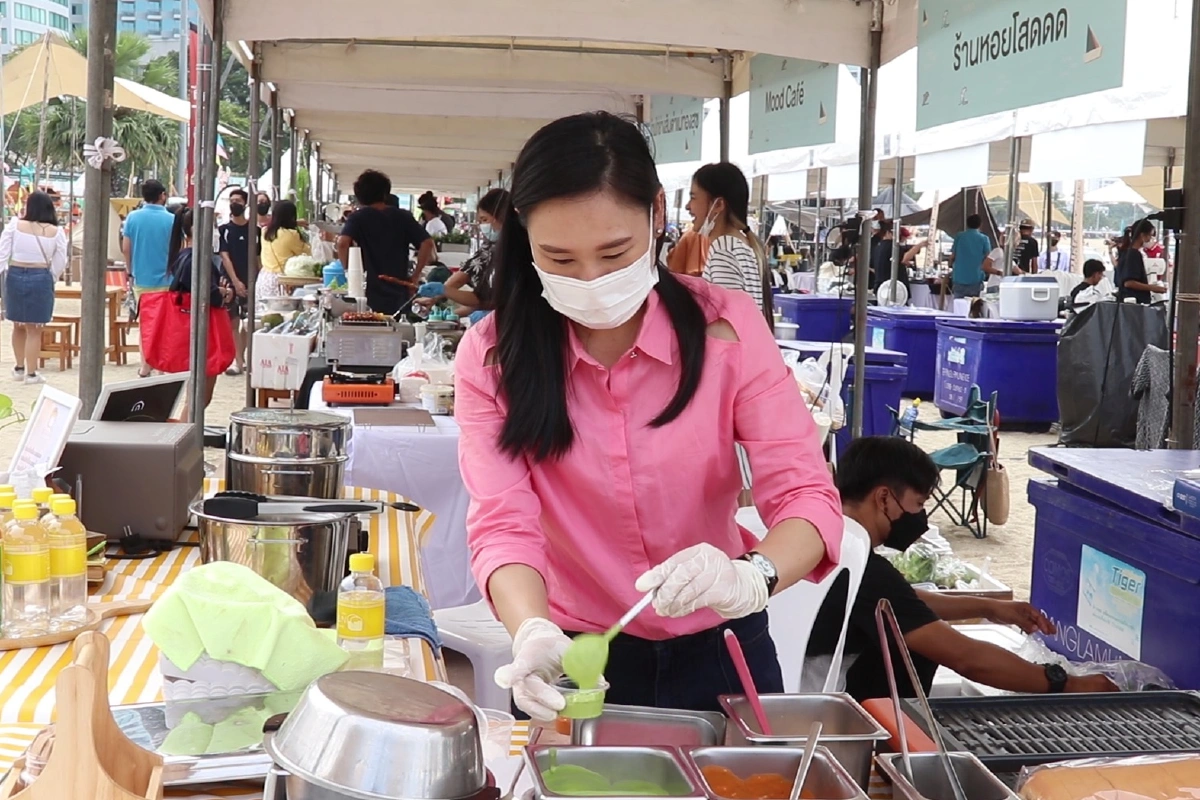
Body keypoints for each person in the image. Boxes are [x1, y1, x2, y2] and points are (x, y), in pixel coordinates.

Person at [457, 111, 842, 721]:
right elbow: (503, 522)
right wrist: (530, 629)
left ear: (658, 214)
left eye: (615, 253)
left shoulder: (727, 328)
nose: (591, 282)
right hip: (575, 661)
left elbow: (803, 493)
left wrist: (755, 575)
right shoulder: (492, 357)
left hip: (722, 649)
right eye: (558, 259)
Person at [807, 436, 1118, 700]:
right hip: (819, 704)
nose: (921, 516)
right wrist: (1069, 683)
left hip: (794, 688)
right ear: (884, 498)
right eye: (919, 503)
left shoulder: (827, 539)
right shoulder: (864, 568)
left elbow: (899, 602)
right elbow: (968, 659)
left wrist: (988, 607)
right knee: (918, 648)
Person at [140, 207, 235, 420]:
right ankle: (182, 431)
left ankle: (182, 428)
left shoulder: (183, 256)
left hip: (189, 327)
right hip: (201, 332)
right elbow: (206, 293)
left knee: (197, 396)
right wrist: (224, 293)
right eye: (212, 225)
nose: (215, 231)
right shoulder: (197, 259)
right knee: (200, 397)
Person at [337, 170, 435, 315]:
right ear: (385, 193)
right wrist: (415, 276)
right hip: (398, 288)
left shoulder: (357, 218)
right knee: (395, 330)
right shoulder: (403, 216)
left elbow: (342, 243)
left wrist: (349, 272)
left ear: (359, 196)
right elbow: (427, 243)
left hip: (367, 290)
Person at [688, 162, 771, 322]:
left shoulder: (723, 250)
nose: (688, 206)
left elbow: (728, 323)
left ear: (718, 204)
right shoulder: (742, 244)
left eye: (693, 197)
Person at [0, 191, 67, 385]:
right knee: (34, 328)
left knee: (17, 324)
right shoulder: (56, 232)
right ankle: (31, 373)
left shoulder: (15, 226)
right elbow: (60, 261)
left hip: (15, 273)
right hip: (41, 275)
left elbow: (3, 253)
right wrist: (50, 277)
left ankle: (19, 367)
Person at [418, 188, 510, 317]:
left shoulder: (514, 251)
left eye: (484, 220)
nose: (482, 226)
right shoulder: (489, 246)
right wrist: (437, 298)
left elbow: (483, 299)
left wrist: (444, 291)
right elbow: (466, 272)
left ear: (501, 217)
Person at [122, 179, 175, 377]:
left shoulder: (133, 218)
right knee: (165, 324)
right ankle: (162, 364)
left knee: (145, 323)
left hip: (141, 279)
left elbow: (126, 248)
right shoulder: (171, 219)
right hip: (167, 280)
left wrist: (130, 270)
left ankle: (145, 365)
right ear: (162, 195)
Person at [218, 187, 251, 376]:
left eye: (238, 200)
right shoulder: (223, 230)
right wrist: (235, 282)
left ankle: (242, 356)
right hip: (230, 281)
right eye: (232, 200)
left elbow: (257, 257)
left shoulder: (253, 230)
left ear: (245, 203)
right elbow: (225, 256)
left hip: (249, 281)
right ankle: (237, 361)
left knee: (247, 323)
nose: (234, 204)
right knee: (233, 322)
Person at [259, 200, 310, 299]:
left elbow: (278, 224)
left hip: (265, 278)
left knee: (265, 312)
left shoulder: (265, 231)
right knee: (284, 312)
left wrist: (296, 222)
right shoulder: (292, 235)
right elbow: (307, 254)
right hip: (284, 281)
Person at [1115, 219, 1167, 304]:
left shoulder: (1125, 252)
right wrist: (1153, 288)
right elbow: (1129, 283)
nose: (1150, 239)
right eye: (1150, 236)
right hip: (1134, 304)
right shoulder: (1134, 254)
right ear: (1142, 235)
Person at [947, 215, 992, 298]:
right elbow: (988, 257)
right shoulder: (984, 239)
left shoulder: (959, 236)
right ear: (980, 225)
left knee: (959, 306)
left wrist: (950, 265)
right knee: (974, 307)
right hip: (976, 278)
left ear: (967, 224)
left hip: (959, 278)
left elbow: (952, 256)